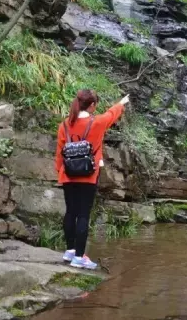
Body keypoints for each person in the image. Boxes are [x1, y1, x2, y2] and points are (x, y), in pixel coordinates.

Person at [55, 89, 130, 269]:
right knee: (83, 215)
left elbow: (59, 153)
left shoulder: (64, 125)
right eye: (95, 105)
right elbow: (111, 115)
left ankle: (70, 250)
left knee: (70, 212)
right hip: (87, 175)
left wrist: (61, 171)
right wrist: (122, 103)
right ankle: (79, 257)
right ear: (91, 105)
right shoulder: (96, 122)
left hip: (68, 175)